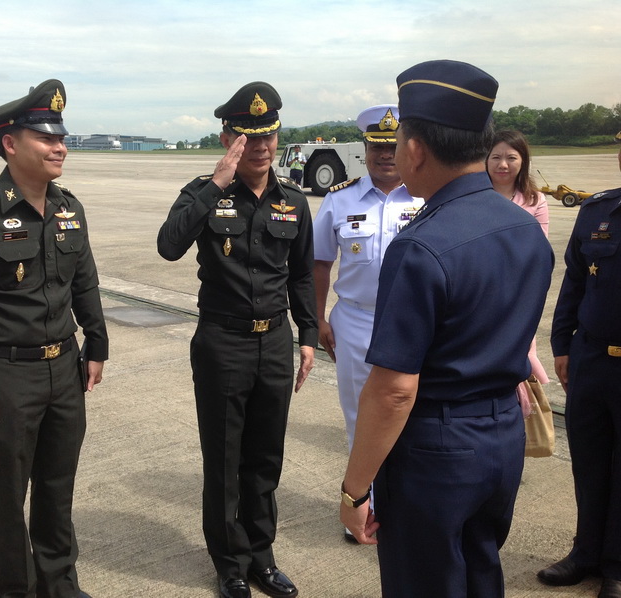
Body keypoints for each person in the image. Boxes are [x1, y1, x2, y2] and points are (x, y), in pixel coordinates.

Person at [338, 60, 553, 598]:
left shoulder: (419, 246)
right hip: (501, 438)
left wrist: (354, 490)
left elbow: (393, 391)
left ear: (415, 149)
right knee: (481, 573)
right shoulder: (524, 228)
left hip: (436, 450)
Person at [0, 79, 108, 598]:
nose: (60, 147)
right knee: (6, 494)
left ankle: (59, 584)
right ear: (10, 143)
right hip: (6, 376)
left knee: (57, 487)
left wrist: (97, 343)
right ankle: (13, 589)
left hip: (65, 370)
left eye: (61, 137)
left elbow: (85, 281)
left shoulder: (69, 207)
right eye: (46, 137)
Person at [157, 81, 317, 598]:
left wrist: (308, 334)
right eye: (249, 137)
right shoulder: (204, 192)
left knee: (265, 459)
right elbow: (168, 246)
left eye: (269, 135)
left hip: (274, 342)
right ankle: (229, 563)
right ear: (229, 138)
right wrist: (215, 185)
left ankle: (262, 557)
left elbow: (300, 274)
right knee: (225, 460)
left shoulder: (292, 200)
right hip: (222, 343)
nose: (262, 146)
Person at [313, 104, 423, 543]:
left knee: (414, 417)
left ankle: (409, 505)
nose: (385, 155)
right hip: (357, 321)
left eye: (392, 146)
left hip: (416, 324)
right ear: (364, 149)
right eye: (377, 146)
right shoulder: (340, 200)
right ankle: (363, 506)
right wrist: (317, 318)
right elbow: (319, 263)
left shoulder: (427, 198)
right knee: (360, 418)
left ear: (407, 148)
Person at [539, 130, 621, 598]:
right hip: (591, 359)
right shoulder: (596, 212)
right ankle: (585, 552)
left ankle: (617, 565)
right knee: (588, 463)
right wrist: (562, 345)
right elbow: (573, 283)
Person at [486, 129, 550, 417]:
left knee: (518, 355)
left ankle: (518, 413)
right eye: (496, 157)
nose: (503, 164)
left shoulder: (535, 200)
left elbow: (540, 253)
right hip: (481, 290)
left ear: (523, 161)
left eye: (511, 158)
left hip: (518, 294)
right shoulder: (475, 197)